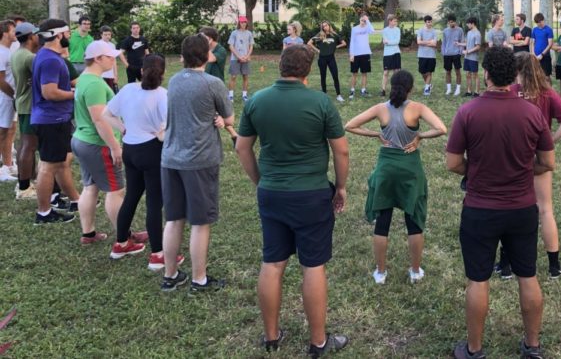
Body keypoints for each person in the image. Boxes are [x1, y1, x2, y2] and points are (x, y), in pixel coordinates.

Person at [235, 44, 349, 356]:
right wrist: (340, 187)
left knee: (272, 262)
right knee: (313, 266)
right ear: (308, 71)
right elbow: (341, 150)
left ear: (280, 66)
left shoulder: (257, 100)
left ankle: (271, 337)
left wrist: (261, 181)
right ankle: (318, 341)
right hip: (311, 194)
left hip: (272, 193)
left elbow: (242, 148)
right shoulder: (319, 102)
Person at [445, 47, 554, 359]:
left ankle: (474, 349)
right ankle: (532, 346)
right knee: (527, 275)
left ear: (486, 74)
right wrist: (522, 168)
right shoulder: (532, 112)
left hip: (480, 208)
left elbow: (453, 163)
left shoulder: (468, 112)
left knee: (478, 279)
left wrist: (477, 169)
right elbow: (547, 161)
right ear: (514, 76)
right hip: (522, 208)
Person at [345, 70, 447, 284]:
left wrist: (376, 134)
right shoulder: (418, 108)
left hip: (386, 168)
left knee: (382, 223)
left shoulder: (380, 109)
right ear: (410, 88)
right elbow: (441, 128)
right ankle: (415, 271)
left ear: (392, 86)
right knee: (414, 221)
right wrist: (419, 136)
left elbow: (350, 125)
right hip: (410, 169)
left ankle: (380, 273)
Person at [160, 33, 234, 293]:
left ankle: (170, 275)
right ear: (206, 55)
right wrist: (221, 120)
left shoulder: (174, 80)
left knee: (174, 219)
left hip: (170, 159)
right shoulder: (213, 83)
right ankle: (198, 279)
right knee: (200, 222)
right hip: (199, 160)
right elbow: (230, 118)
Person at [102, 54, 177, 269]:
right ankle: (158, 254)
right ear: (162, 74)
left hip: (130, 150)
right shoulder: (163, 96)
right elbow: (166, 131)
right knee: (154, 202)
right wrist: (159, 134)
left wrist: (124, 128)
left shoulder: (127, 90)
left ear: (141, 71)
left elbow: (107, 114)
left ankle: (121, 243)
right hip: (152, 151)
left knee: (132, 197)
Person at [510, 53, 561, 279]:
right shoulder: (546, 92)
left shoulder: (510, 92)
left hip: (513, 156)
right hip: (539, 154)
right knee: (545, 209)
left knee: (511, 207)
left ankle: (506, 262)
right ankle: (554, 265)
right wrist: (550, 141)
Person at [71, 40, 128, 247]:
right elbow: (100, 119)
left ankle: (88, 233)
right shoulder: (94, 83)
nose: (113, 60)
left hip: (82, 139)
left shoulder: (84, 79)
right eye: (110, 57)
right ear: (97, 59)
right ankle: (124, 238)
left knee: (90, 187)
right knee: (115, 190)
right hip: (97, 144)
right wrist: (114, 146)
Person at [31, 19, 82, 224]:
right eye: (67, 33)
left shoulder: (46, 55)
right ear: (58, 35)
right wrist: (76, 94)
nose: (69, 36)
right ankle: (43, 212)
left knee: (60, 162)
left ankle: (76, 200)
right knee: (48, 166)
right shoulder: (50, 60)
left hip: (52, 118)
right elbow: (49, 92)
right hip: (51, 118)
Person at [11, 22, 40, 199]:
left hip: (22, 102)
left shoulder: (18, 54)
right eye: (36, 34)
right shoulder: (29, 58)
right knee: (29, 146)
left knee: (26, 144)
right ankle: (24, 188)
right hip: (29, 105)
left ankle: (29, 180)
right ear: (30, 37)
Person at [310, 21, 346, 102]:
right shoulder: (320, 35)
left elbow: (344, 43)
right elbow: (309, 43)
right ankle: (324, 94)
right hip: (322, 59)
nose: (324, 27)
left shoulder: (335, 35)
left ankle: (338, 95)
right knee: (323, 77)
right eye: (323, 26)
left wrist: (335, 47)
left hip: (331, 58)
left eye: (326, 25)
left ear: (329, 25)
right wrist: (317, 50)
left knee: (335, 76)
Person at [0, 20, 17, 182]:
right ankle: (3, 169)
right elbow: (1, 80)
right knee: (3, 132)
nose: (16, 33)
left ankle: (8, 164)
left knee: (10, 129)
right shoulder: (1, 52)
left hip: (10, 97)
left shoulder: (8, 50)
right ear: (5, 33)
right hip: (5, 98)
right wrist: (13, 95)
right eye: (13, 30)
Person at [228, 16, 254, 101]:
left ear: (247, 23)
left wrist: (247, 56)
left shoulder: (249, 33)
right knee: (233, 76)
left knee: (245, 77)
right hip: (235, 58)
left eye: (245, 22)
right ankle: (231, 95)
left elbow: (251, 46)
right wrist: (239, 56)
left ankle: (244, 95)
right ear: (239, 23)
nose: (243, 24)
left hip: (246, 59)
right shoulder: (234, 33)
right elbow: (231, 46)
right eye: (242, 22)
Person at [348, 14, 374, 99]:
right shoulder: (354, 29)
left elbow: (372, 31)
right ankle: (352, 90)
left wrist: (368, 21)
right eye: (362, 20)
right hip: (356, 55)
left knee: (364, 73)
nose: (363, 22)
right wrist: (351, 54)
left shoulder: (367, 28)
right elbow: (352, 42)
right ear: (359, 20)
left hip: (365, 54)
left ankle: (363, 90)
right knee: (354, 73)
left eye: (365, 20)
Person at [442, 15, 465, 96]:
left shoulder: (460, 30)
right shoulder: (445, 31)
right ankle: (449, 89)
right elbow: (444, 43)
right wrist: (444, 52)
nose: (452, 23)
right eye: (450, 22)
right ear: (448, 22)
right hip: (447, 54)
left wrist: (460, 52)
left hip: (456, 54)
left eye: (453, 22)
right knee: (448, 72)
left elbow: (462, 41)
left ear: (455, 22)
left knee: (457, 72)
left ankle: (458, 89)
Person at [416, 15, 438, 96]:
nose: (430, 23)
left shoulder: (434, 31)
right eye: (428, 22)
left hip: (431, 55)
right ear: (425, 22)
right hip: (422, 55)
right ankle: (428, 84)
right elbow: (418, 42)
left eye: (431, 21)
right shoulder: (420, 30)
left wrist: (424, 42)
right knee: (422, 72)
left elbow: (435, 43)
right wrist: (429, 42)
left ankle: (427, 90)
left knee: (429, 73)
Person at [381, 15, 402, 97]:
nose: (396, 22)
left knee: (396, 73)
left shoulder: (398, 30)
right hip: (387, 54)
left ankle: (395, 90)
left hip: (396, 53)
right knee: (386, 73)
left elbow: (397, 41)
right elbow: (384, 41)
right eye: (394, 21)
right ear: (390, 21)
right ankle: (383, 90)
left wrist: (388, 42)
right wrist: (388, 42)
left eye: (396, 21)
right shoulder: (385, 30)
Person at [460, 17, 481, 98]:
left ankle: (477, 92)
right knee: (467, 74)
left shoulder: (477, 33)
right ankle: (469, 91)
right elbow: (467, 44)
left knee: (475, 75)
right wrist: (459, 44)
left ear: (473, 23)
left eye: (468, 23)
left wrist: (468, 51)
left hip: (473, 58)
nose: (467, 25)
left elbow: (478, 47)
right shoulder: (469, 33)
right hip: (467, 57)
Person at [530, 13, 554, 78]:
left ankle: (549, 88)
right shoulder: (534, 29)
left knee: (546, 77)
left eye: (539, 22)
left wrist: (542, 54)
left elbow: (550, 44)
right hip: (535, 56)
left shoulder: (548, 30)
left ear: (543, 20)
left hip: (545, 56)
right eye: (537, 23)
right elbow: (532, 42)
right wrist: (533, 53)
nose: (538, 24)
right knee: (536, 76)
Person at [98, 26, 119, 93]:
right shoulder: (97, 44)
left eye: (109, 34)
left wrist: (115, 75)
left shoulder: (112, 45)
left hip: (110, 74)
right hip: (100, 75)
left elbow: (114, 60)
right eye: (105, 34)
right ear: (101, 35)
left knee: (110, 93)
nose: (107, 36)